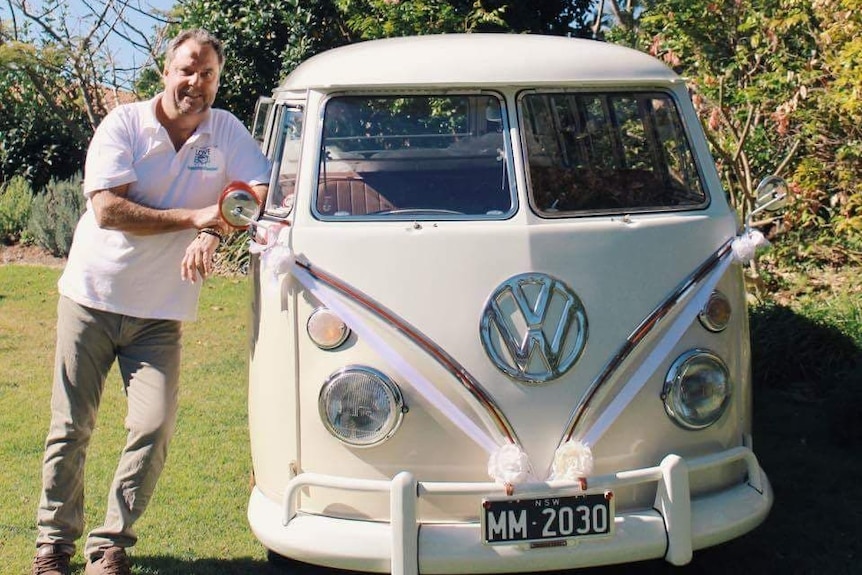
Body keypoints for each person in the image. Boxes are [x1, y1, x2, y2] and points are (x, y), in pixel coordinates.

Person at [31, 29, 270, 575]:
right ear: (165, 71)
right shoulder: (125, 124)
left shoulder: (224, 129)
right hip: (93, 298)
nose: (197, 83)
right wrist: (193, 218)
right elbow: (108, 210)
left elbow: (256, 189)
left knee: (154, 425)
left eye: (208, 73)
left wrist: (217, 230)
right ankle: (53, 546)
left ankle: (110, 542)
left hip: (161, 314)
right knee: (72, 426)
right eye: (188, 69)